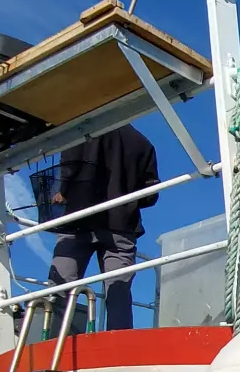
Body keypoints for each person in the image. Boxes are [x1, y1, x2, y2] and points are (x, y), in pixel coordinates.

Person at [44, 123, 159, 331]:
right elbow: (151, 195)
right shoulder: (143, 143)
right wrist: (125, 199)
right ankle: (119, 350)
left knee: (60, 288)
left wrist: (63, 191)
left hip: (78, 221)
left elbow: (69, 166)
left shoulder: (81, 129)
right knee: (118, 292)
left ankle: (52, 346)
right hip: (121, 225)